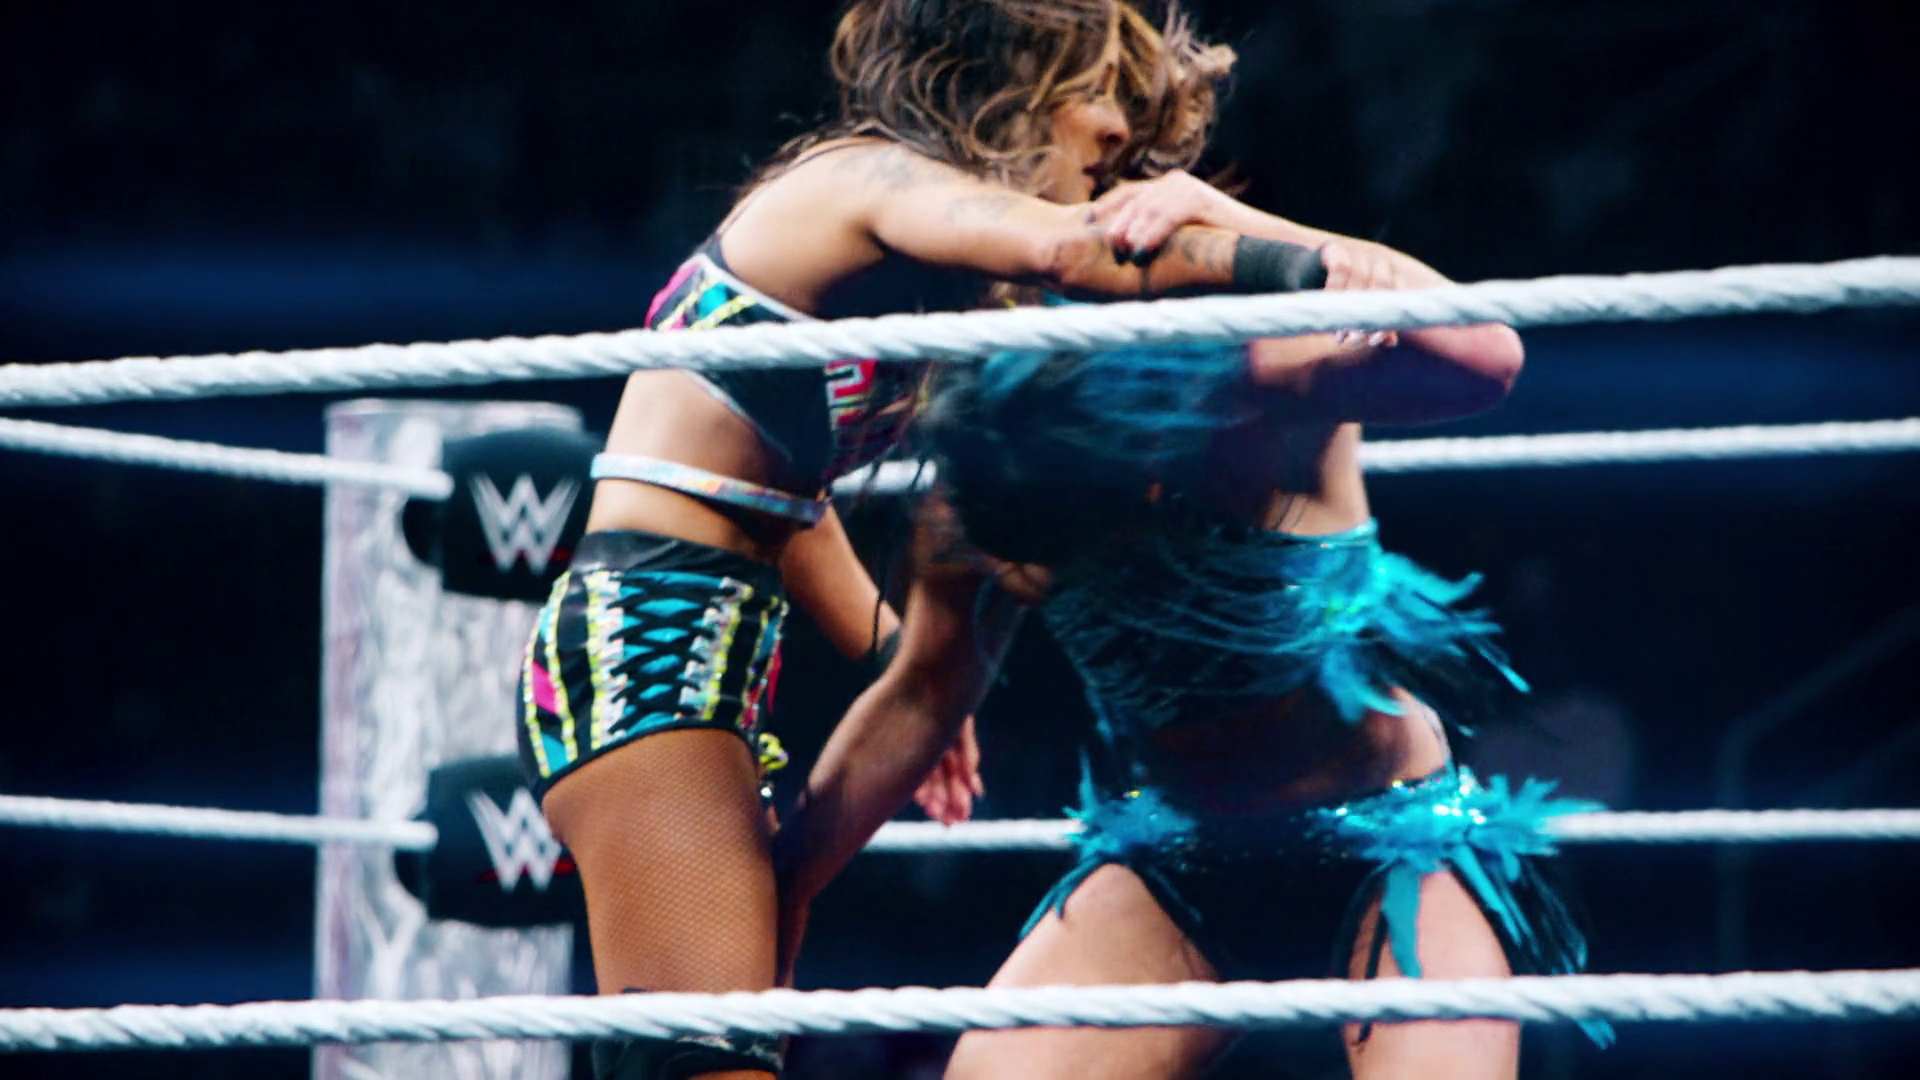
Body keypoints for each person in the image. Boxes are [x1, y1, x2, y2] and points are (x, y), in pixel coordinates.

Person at [512, 3, 1328, 1078]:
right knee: (713, 1061)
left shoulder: (909, 267)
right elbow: (1071, 250)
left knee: (716, 1052)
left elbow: (778, 496)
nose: (1114, 135)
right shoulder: (863, 181)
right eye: (1096, 94)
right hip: (649, 646)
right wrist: (1298, 266)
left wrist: (894, 655)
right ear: (1014, 76)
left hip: (698, 650)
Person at [773, 179, 1609, 1078]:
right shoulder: (991, 478)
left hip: (1390, 840)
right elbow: (924, 692)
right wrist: (779, 881)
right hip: (1182, 856)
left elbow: (1486, 355)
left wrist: (1250, 226)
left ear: (1146, 472)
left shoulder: (1257, 384)